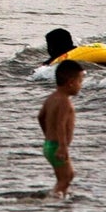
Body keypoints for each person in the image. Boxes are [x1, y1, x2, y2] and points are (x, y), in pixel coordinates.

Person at [38, 59, 83, 198]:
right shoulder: (64, 101)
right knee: (66, 178)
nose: (80, 86)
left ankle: (59, 196)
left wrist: (47, 136)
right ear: (70, 82)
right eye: (80, 81)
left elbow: (40, 117)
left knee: (65, 177)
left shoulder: (51, 98)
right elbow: (61, 124)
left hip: (49, 145)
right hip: (57, 146)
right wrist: (62, 147)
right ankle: (54, 202)